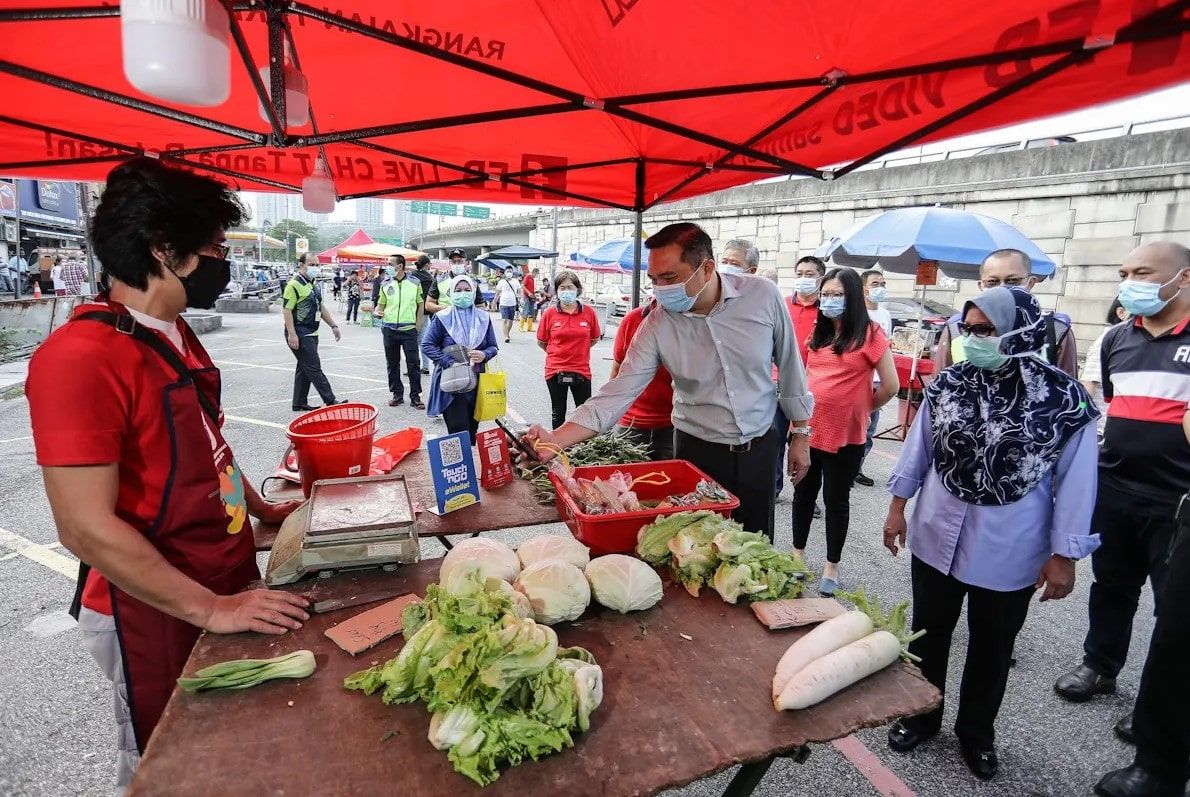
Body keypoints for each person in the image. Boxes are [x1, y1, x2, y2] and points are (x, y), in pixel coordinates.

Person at [25, 158, 308, 789]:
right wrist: (210, 608)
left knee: (231, 742)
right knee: (171, 761)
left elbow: (207, 439)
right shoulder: (80, 358)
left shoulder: (173, 333)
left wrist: (262, 510)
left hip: (224, 578)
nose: (221, 262)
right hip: (150, 605)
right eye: (212, 247)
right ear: (163, 250)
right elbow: (83, 526)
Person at [883, 286, 1100, 781]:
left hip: (1010, 545)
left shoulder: (1063, 400)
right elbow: (918, 449)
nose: (972, 340)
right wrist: (897, 507)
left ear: (1021, 331)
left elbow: (1076, 483)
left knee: (992, 644)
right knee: (927, 631)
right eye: (968, 330)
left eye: (986, 331)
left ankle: (976, 733)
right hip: (937, 532)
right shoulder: (949, 384)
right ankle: (920, 713)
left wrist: (1064, 555)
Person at [522, 223, 813, 541]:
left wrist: (800, 433)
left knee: (754, 544)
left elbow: (790, 367)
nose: (660, 289)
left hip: (759, 447)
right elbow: (616, 395)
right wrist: (554, 441)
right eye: (654, 280)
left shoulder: (762, 295)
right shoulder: (657, 324)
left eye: (670, 278)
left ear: (707, 268)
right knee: (695, 547)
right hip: (696, 453)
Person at [1053, 242, 1190, 734]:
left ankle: (1158, 702)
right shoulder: (1116, 339)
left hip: (1177, 501)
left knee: (1174, 608)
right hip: (1116, 487)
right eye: (1124, 272)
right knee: (1112, 585)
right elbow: (1113, 407)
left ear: (1184, 278)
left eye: (1143, 272)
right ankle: (1100, 665)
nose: (1129, 281)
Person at [791, 268, 898, 594]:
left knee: (836, 501)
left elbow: (891, 386)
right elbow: (807, 377)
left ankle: (831, 566)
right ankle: (797, 556)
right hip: (808, 432)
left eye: (838, 295)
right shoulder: (818, 333)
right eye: (826, 294)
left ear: (852, 298)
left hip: (846, 438)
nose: (829, 300)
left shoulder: (871, 334)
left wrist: (860, 409)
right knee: (803, 495)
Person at [1095, 472, 1190, 797]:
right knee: (1175, 638)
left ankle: (1160, 758)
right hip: (1126, 482)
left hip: (1168, 493)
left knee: (1177, 632)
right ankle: (1159, 765)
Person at [933, 249, 1079, 376]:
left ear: (1030, 283)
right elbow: (939, 383)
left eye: (1012, 280)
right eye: (992, 282)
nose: (1002, 288)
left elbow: (1073, 391)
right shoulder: (958, 327)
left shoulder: (1055, 330)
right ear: (981, 285)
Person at [422, 274, 499, 443]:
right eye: (457, 290)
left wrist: (484, 354)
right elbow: (427, 345)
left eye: (467, 290)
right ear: (451, 293)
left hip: (477, 383)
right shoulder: (442, 317)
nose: (462, 294)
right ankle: (459, 468)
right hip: (453, 383)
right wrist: (449, 362)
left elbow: (493, 346)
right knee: (457, 433)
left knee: (472, 432)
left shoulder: (483, 318)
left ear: (473, 293)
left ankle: (469, 466)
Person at [774, 255, 825, 508]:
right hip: (777, 383)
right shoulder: (781, 305)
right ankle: (772, 488)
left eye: (810, 274)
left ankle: (804, 496)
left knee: (804, 442)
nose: (804, 278)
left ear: (820, 279)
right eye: (800, 273)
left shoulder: (827, 312)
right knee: (774, 440)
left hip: (810, 387)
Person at [610, 298, 674, 460]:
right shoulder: (632, 320)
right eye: (654, 279)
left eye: (669, 278)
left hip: (673, 425)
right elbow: (617, 370)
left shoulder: (690, 323)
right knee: (622, 480)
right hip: (630, 424)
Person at [537, 270, 601, 429]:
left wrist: (578, 351)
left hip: (581, 369)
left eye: (570, 287)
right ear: (557, 291)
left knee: (584, 412)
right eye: (562, 288)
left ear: (577, 289)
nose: (566, 291)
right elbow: (542, 341)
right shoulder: (550, 313)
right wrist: (557, 353)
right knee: (558, 412)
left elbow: (594, 338)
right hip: (555, 370)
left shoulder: (589, 313)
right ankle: (558, 449)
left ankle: (582, 448)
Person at [282, 254, 342, 412]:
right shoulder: (293, 285)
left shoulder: (313, 285)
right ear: (301, 265)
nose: (315, 267)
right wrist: (292, 334)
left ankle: (299, 402)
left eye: (317, 264)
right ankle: (331, 400)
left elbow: (321, 308)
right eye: (312, 264)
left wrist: (333, 325)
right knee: (314, 367)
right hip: (300, 332)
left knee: (304, 367)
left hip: (312, 332)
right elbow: (287, 310)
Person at [855, 269, 893, 487]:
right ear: (864, 288)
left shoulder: (885, 315)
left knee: (869, 428)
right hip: (862, 379)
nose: (880, 287)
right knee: (856, 426)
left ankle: (856, 468)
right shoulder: (858, 314)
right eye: (875, 283)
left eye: (883, 283)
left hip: (879, 380)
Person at [374, 257, 424, 409]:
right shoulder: (385, 283)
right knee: (392, 363)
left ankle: (415, 396)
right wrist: (377, 312)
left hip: (409, 330)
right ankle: (397, 394)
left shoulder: (415, 283)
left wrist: (418, 324)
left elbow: (420, 304)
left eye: (390, 264)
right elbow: (380, 305)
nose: (387, 267)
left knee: (413, 363)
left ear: (400, 266)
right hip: (389, 329)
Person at [1080, 299, 1130, 437]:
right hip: (1099, 429)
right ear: (1121, 313)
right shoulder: (1107, 341)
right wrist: (1080, 411)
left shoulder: (1126, 341)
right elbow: (1088, 386)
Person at [410, 254, 437, 374]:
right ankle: (425, 366)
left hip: (412, 312)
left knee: (413, 341)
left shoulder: (412, 277)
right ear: (427, 265)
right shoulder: (430, 278)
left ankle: (414, 366)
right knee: (423, 340)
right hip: (426, 312)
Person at [495, 266, 521, 343]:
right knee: (504, 320)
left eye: (510, 271)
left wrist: (520, 298)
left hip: (513, 303)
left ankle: (507, 333)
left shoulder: (515, 281)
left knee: (510, 321)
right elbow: (497, 293)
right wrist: (494, 302)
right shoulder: (501, 282)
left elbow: (519, 290)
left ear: (512, 273)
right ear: (505, 272)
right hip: (503, 303)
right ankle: (506, 336)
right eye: (508, 271)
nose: (509, 273)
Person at [520, 267, 539, 332]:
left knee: (531, 312)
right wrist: (528, 293)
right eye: (536, 274)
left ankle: (529, 327)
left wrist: (534, 293)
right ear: (534, 272)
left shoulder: (532, 279)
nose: (536, 275)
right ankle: (521, 327)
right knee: (525, 311)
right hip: (526, 296)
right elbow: (522, 285)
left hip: (532, 297)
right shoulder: (527, 277)